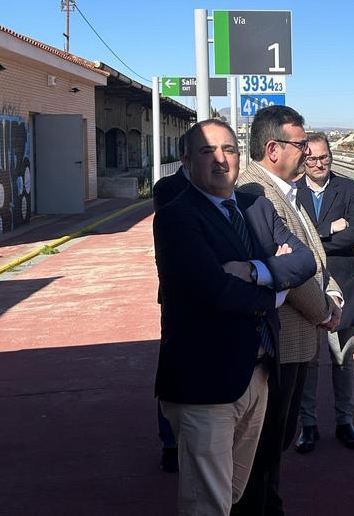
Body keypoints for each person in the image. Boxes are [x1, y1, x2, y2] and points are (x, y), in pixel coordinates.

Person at [154, 120, 317, 516]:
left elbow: (304, 259)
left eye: (228, 149)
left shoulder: (255, 206)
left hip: (257, 374)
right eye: (207, 151)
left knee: (236, 491)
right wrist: (278, 293)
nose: (220, 159)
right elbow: (215, 291)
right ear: (186, 159)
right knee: (207, 503)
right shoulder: (177, 217)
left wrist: (258, 272)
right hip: (205, 383)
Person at [234, 106, 343, 516]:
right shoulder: (257, 193)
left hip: (297, 337)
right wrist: (325, 312)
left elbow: (305, 259)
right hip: (281, 338)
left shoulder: (282, 190)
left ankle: (269, 504)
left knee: (276, 441)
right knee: (263, 445)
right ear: (273, 148)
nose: (308, 151)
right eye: (300, 144)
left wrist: (330, 295)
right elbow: (289, 274)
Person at [293, 132, 354, 453]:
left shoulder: (349, 188)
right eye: (311, 158)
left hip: (344, 287)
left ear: (330, 156)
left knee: (343, 358)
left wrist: (314, 235)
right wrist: (328, 229)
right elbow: (292, 237)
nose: (318, 163)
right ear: (303, 160)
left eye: (324, 157)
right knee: (307, 361)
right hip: (307, 288)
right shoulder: (292, 192)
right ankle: (307, 425)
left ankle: (345, 422)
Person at [154, 133, 190, 472]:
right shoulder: (167, 188)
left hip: (215, 294)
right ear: (184, 155)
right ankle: (170, 440)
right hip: (178, 296)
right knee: (173, 365)